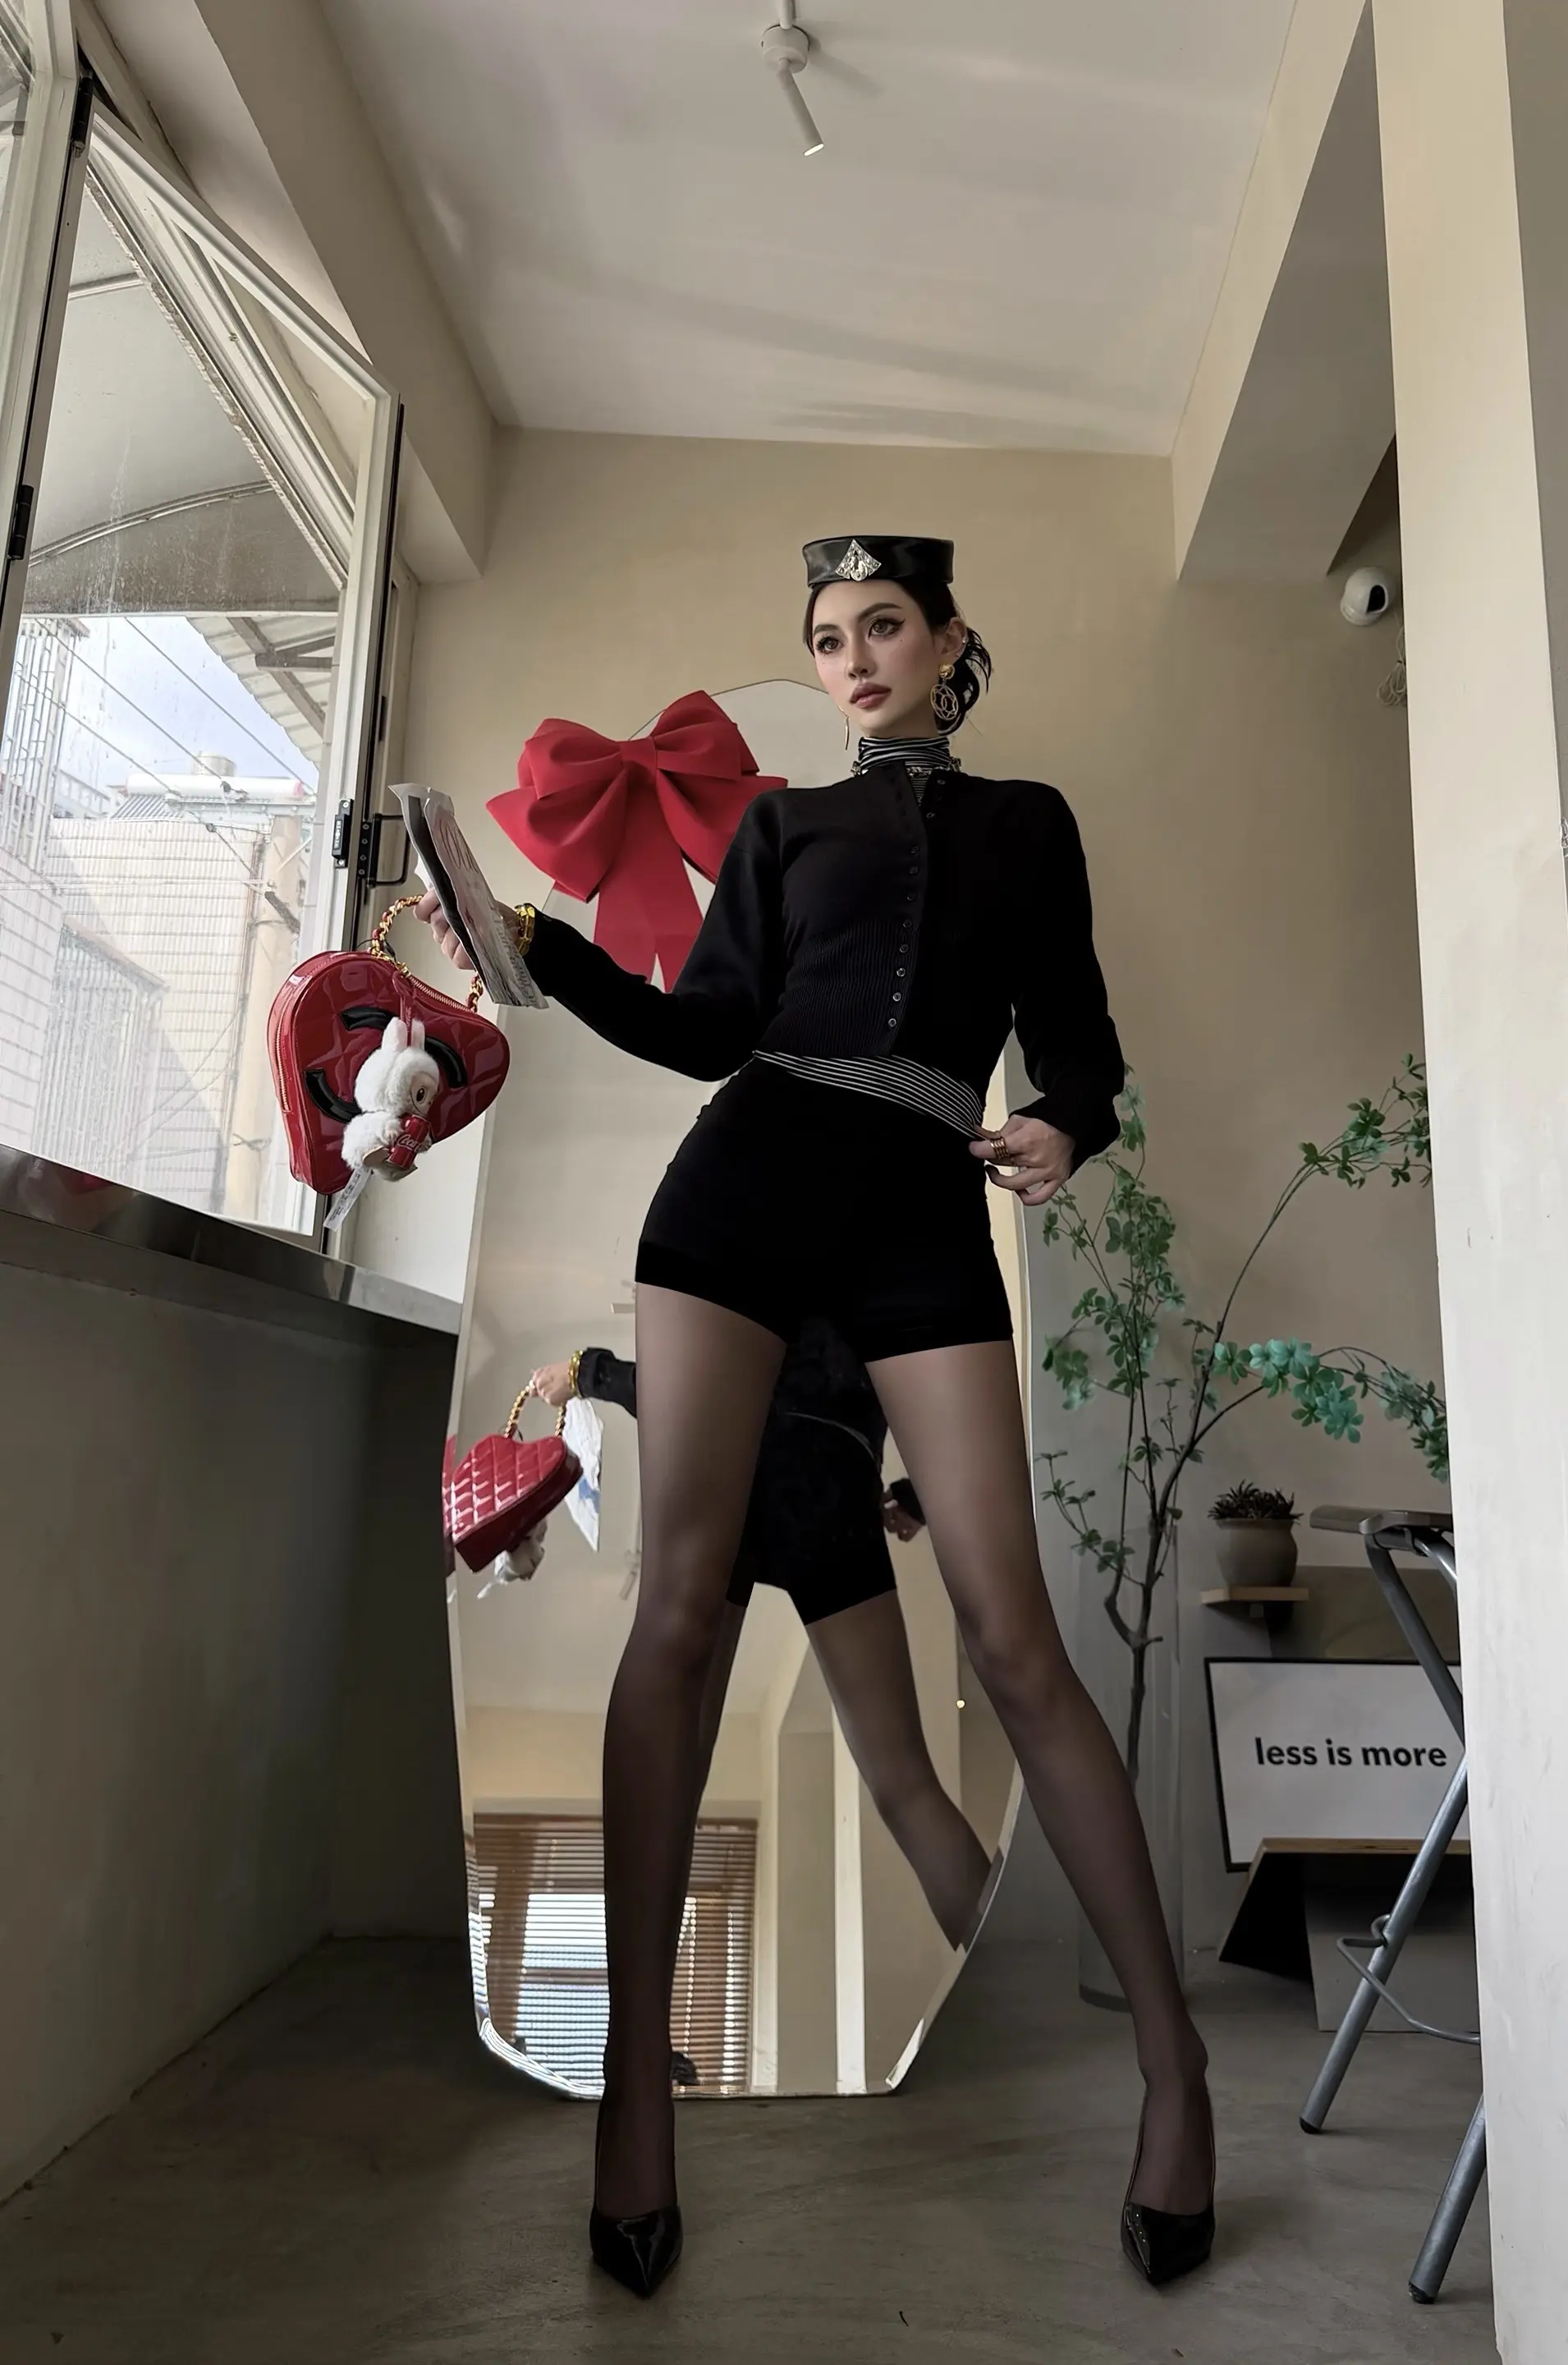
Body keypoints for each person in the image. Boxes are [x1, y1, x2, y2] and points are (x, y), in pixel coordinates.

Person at [423, 532, 1213, 2298]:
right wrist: (538, 950)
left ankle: (1176, 2070)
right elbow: (709, 1032)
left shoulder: (1031, 827)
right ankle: (639, 2096)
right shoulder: (783, 830)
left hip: (926, 1208)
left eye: (882, 626)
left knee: (1016, 1639)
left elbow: (1080, 1043)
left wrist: (1067, 1125)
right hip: (746, 1184)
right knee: (680, 1609)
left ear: (947, 640)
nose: (853, 656)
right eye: (828, 635)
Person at [530, 1320, 993, 1953]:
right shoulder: (878, 1268)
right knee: (906, 1785)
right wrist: (917, 1496)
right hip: (835, 1475)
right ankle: (1006, 1975)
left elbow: (695, 1391)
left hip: (732, 1470)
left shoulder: (742, 1257)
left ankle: (642, 2014)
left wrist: (588, 1372)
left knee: (676, 1783)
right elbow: (934, 1387)